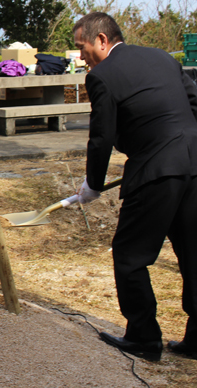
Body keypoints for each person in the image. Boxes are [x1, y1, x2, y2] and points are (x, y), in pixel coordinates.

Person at [73, 12, 197, 362]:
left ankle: (143, 336)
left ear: (101, 40)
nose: (81, 56)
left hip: (155, 170)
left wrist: (92, 184)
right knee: (193, 252)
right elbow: (194, 102)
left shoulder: (102, 76)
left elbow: (102, 137)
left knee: (130, 255)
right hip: (194, 162)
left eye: (82, 47)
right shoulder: (160, 56)